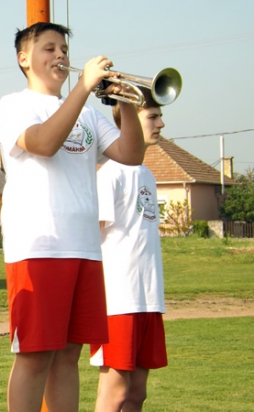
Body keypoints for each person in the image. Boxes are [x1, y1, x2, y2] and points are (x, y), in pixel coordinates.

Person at [0, 22, 146, 412]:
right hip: (39, 246)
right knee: (35, 354)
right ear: (24, 59)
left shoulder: (89, 113)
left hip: (85, 248)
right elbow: (44, 143)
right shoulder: (15, 104)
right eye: (49, 48)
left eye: (63, 48)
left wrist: (125, 102)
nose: (60, 55)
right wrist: (82, 87)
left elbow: (132, 154)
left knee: (68, 355)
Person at [91, 87, 168, 412]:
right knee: (115, 393)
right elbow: (91, 236)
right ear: (129, 119)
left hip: (148, 299)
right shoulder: (110, 174)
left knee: (137, 393)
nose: (161, 124)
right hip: (119, 301)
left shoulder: (147, 175)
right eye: (153, 117)